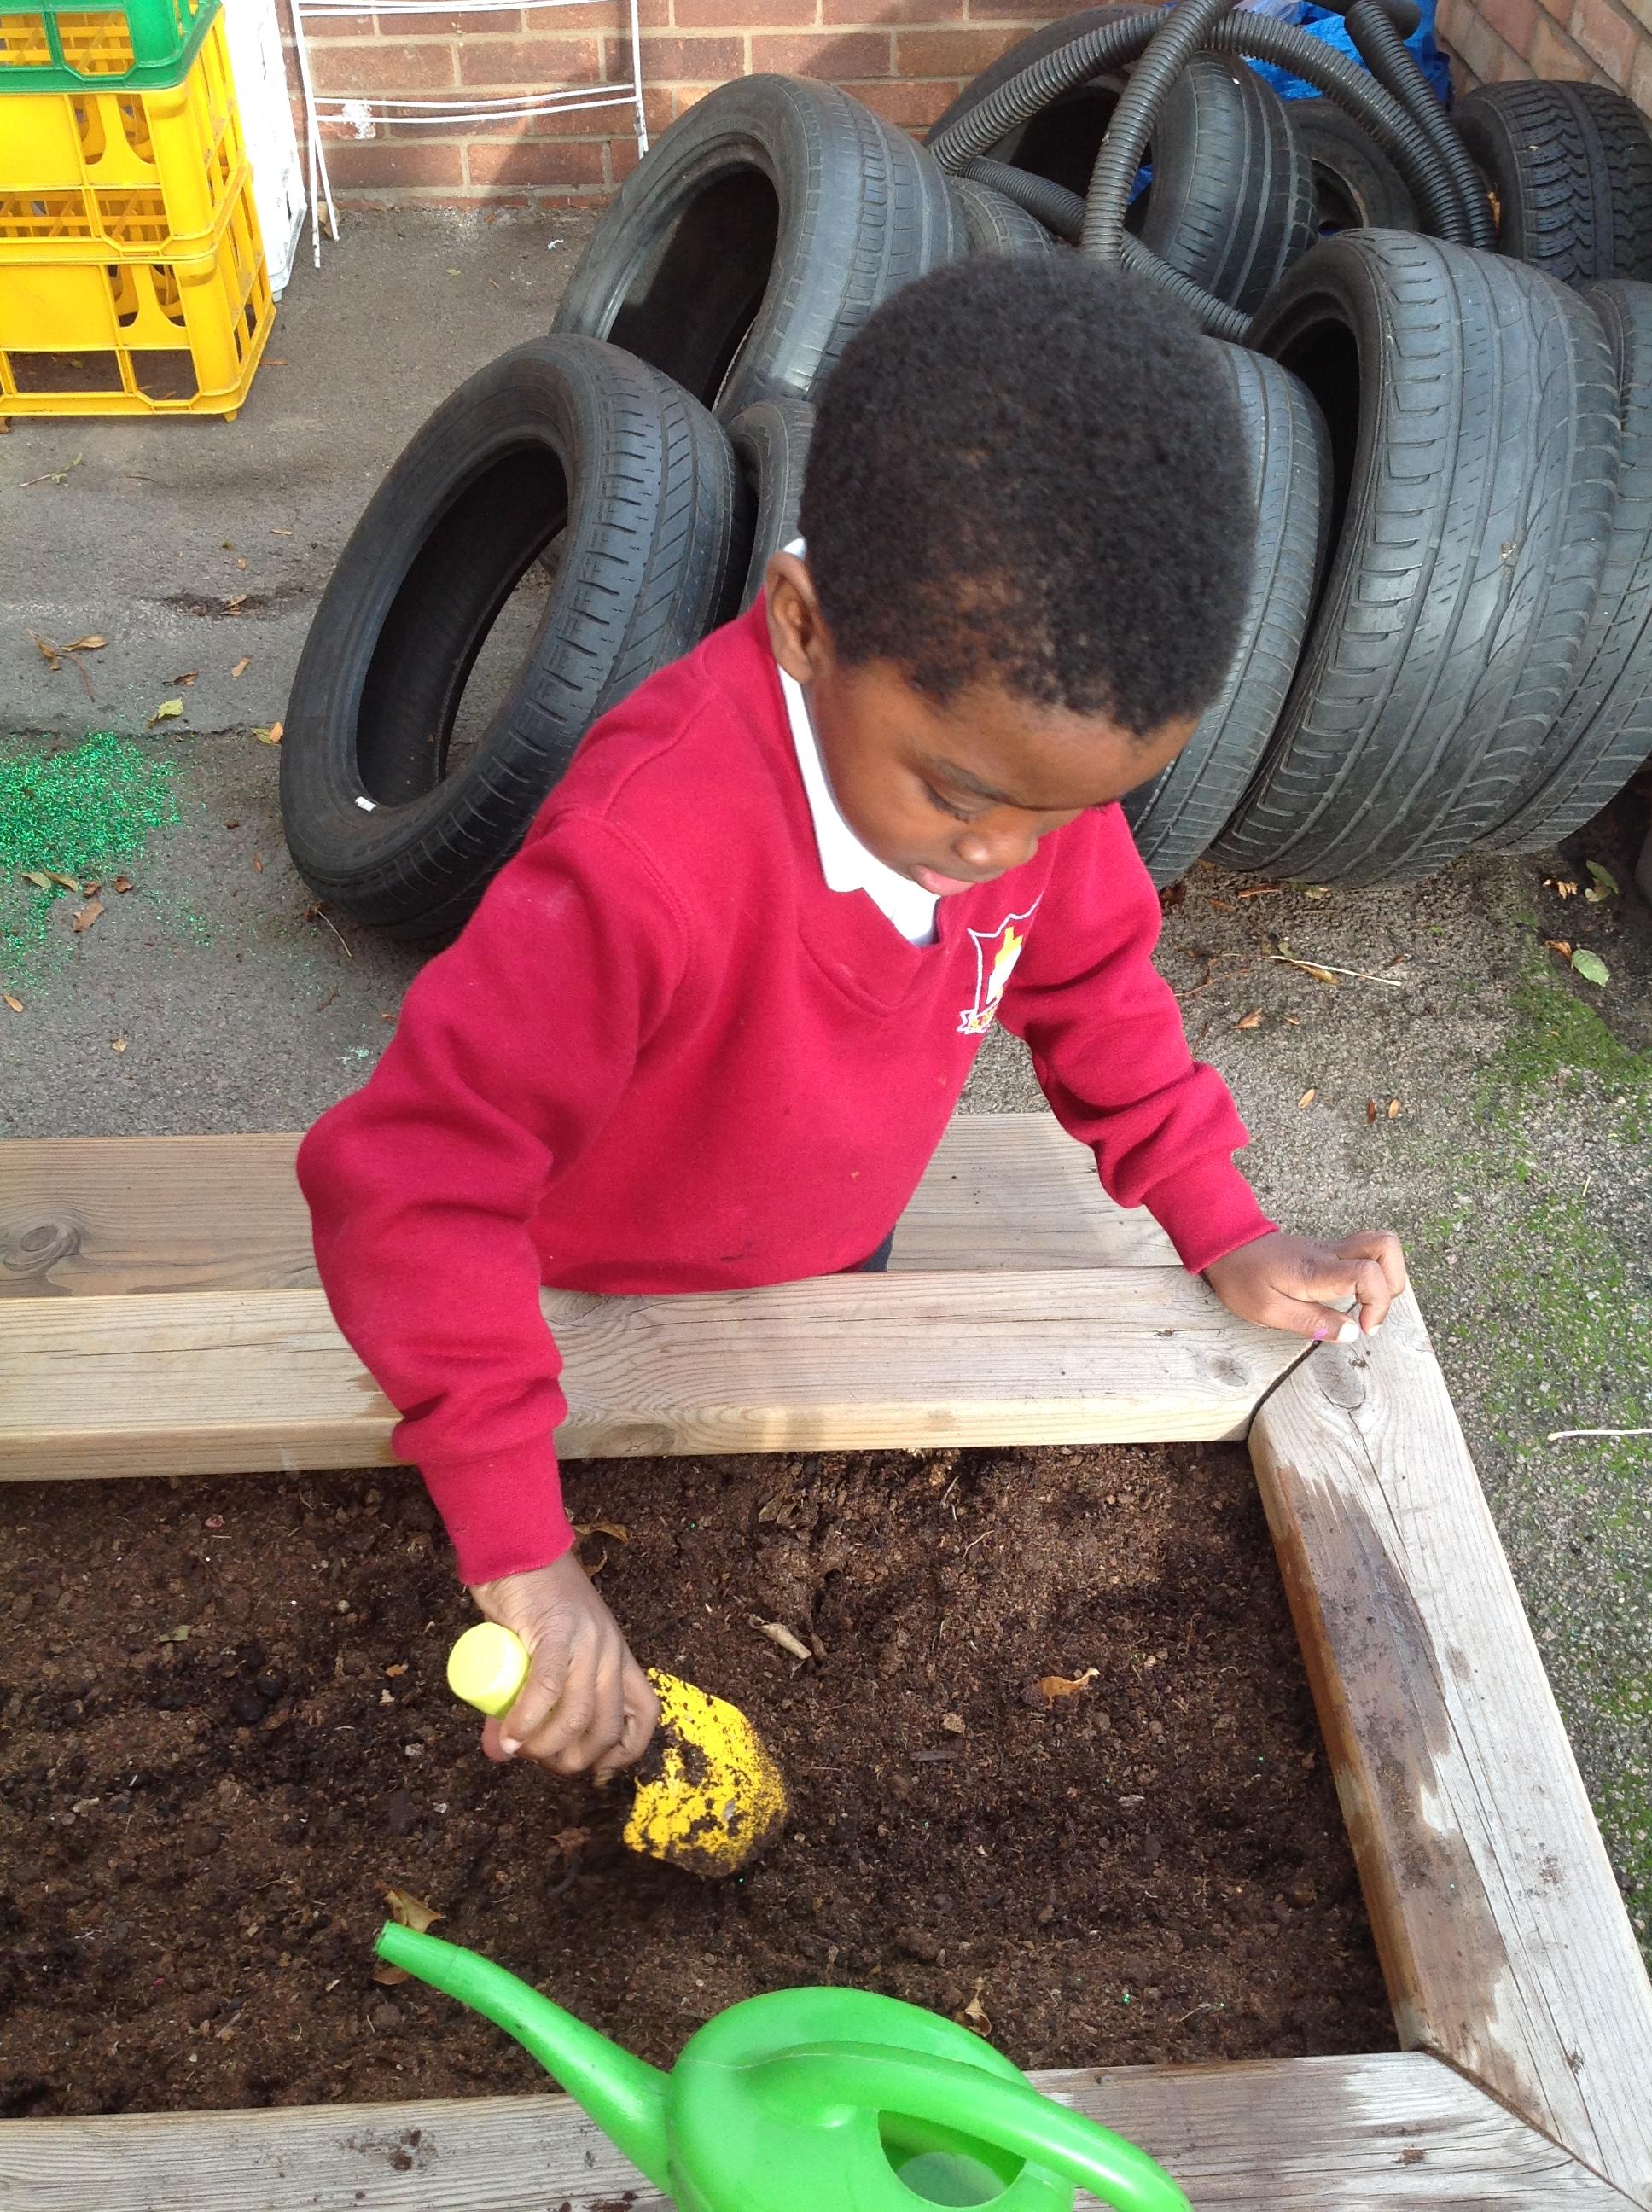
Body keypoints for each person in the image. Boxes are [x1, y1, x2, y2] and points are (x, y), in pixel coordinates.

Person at [298, 258, 1406, 1784]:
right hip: (577, 1298)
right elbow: (415, 1185)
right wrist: (526, 1558)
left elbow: (1094, 985)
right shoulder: (642, 861)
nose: (1003, 856)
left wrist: (1223, 1223)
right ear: (804, 622)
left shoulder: (1013, 769)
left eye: (1064, 813)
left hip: (828, 1257)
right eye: (959, 797)